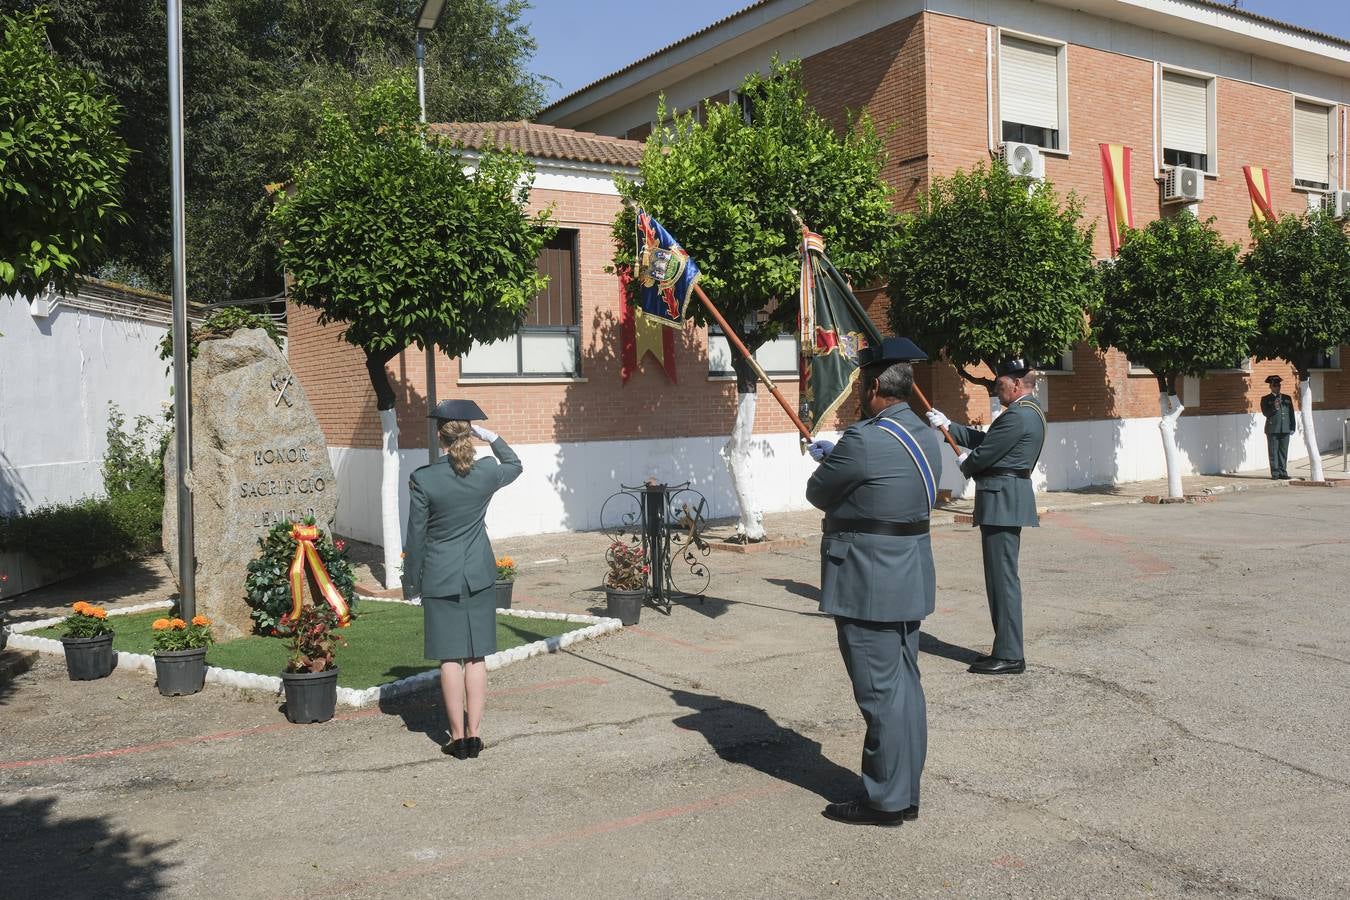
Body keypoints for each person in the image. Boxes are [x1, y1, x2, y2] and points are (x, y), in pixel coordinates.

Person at [804, 337, 940, 827]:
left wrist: (832, 457)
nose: (862, 391)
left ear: (877, 385)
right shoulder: (923, 434)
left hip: (868, 578)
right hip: (909, 574)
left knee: (879, 693)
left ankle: (883, 800)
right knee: (905, 687)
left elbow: (818, 493)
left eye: (864, 384)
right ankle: (905, 790)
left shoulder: (863, 439)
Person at [403, 399, 522, 759]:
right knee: (476, 657)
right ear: (468, 433)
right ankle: (475, 734)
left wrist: (411, 585)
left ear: (439, 436)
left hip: (441, 575)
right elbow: (515, 465)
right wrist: (492, 436)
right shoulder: (486, 470)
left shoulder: (424, 479)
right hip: (479, 574)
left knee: (451, 659)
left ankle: (456, 739)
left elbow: (417, 537)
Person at [925, 360, 1045, 676]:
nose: (996, 388)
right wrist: (949, 426)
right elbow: (988, 442)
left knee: (1002, 580)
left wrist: (968, 462)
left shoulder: (1018, 416)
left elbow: (981, 457)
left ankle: (1009, 653)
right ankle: (1005, 648)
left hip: (1002, 500)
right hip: (1007, 499)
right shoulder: (1028, 412)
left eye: (1001, 383)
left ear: (1017, 384)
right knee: (1001, 578)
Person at [1260, 375, 1295, 479]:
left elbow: (1291, 414)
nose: (1277, 387)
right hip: (1273, 429)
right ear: (1270, 387)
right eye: (1275, 385)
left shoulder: (1287, 398)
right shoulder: (1265, 399)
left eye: (1279, 385)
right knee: (1273, 452)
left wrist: (1292, 426)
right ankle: (1275, 473)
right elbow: (1266, 413)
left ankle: (1283, 472)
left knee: (1283, 452)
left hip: (1285, 428)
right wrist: (1274, 407)